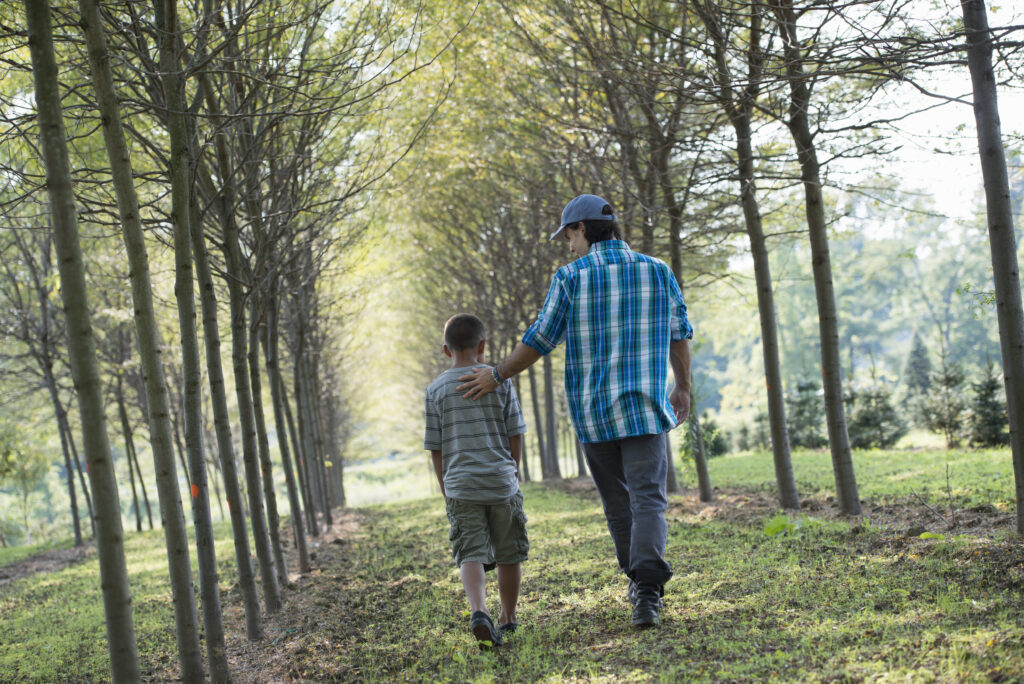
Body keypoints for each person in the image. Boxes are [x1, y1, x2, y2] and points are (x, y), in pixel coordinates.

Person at [457, 194, 692, 628]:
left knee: (619, 506)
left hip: (594, 413)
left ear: (582, 228)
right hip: (645, 408)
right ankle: (647, 589)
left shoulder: (571, 277)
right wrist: (683, 387)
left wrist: (498, 373)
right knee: (649, 500)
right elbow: (680, 332)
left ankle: (640, 583)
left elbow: (540, 338)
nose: (567, 245)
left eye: (568, 235)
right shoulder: (659, 271)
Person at [424, 313, 529, 647]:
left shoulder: (435, 390)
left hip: (460, 484)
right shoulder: (499, 379)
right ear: (483, 346)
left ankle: (480, 610)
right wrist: (513, 469)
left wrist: (446, 486)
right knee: (508, 551)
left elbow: (435, 448)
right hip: (500, 480)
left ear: (446, 350)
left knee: (470, 551)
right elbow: (516, 432)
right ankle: (508, 617)